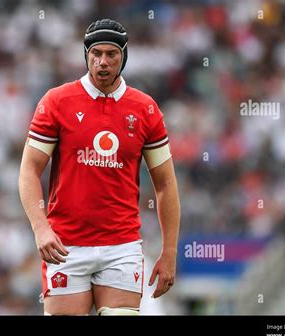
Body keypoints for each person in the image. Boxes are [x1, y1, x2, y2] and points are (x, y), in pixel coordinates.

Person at [19, 18, 180, 315]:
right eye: (96, 54)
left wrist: (169, 251)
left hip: (122, 245)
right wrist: (41, 229)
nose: (102, 62)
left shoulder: (145, 110)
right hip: (65, 245)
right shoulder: (57, 102)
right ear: (86, 55)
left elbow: (166, 185)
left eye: (111, 54)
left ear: (124, 57)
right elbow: (29, 169)